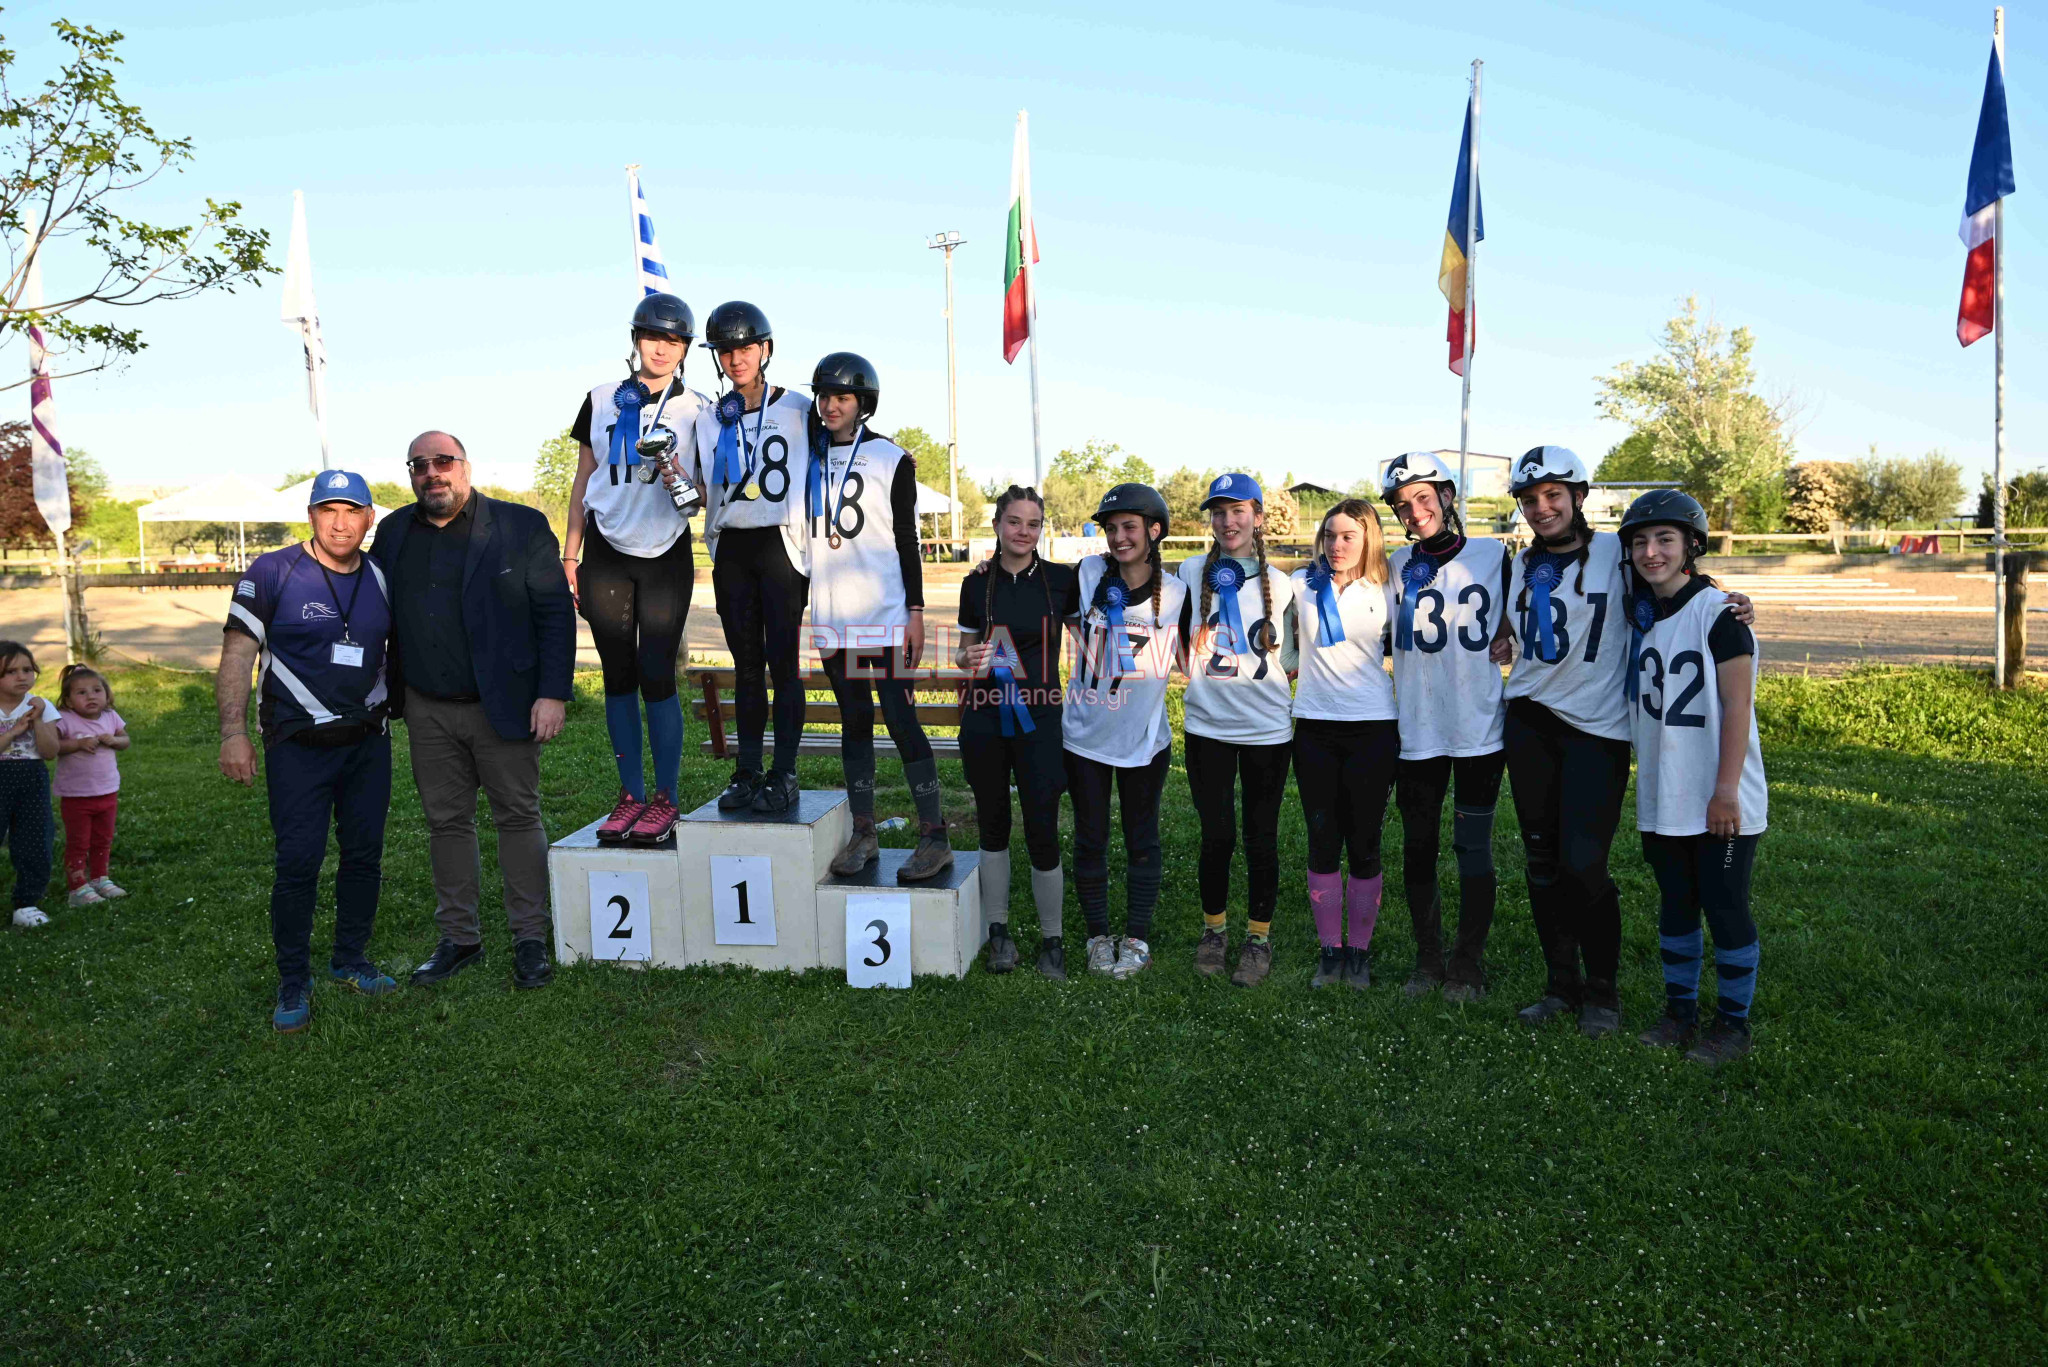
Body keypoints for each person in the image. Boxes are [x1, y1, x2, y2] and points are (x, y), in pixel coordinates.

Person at [1491, 446, 1754, 1038]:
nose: (1543, 508)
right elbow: (1515, 623)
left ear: (1580, 497)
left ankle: (1602, 992)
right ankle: (1561, 984)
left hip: (1597, 729)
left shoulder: (1619, 549)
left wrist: (1732, 596)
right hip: (1529, 721)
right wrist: (1505, 638)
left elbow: (1677, 578)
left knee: (1584, 865)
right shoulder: (1517, 563)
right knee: (1541, 862)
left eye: (1554, 495)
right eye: (1531, 500)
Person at [366, 432, 574, 993]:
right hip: (428, 708)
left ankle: (529, 938)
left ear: (465, 466)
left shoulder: (520, 525)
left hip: (503, 705)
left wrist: (552, 692)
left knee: (518, 817)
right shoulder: (392, 533)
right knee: (446, 823)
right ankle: (460, 938)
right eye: (419, 465)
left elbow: (554, 614)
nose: (432, 473)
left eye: (443, 461)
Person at [216, 472, 398, 1032]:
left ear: (370, 518)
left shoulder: (381, 577)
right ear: (311, 516)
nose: (340, 523)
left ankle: (350, 958)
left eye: (352, 511)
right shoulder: (273, 571)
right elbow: (237, 656)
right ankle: (293, 978)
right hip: (298, 745)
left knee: (364, 855)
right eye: (328, 511)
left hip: (368, 742)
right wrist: (233, 732)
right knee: (298, 863)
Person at [1619, 490, 1766, 1068]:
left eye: (1664, 540)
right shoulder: (1643, 617)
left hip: (1717, 793)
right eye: (1639, 542)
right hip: (1664, 790)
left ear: (1692, 547)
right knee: (1676, 904)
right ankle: (1680, 1012)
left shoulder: (1721, 614)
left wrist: (1725, 790)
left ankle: (1733, 1024)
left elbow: (1737, 707)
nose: (1650, 552)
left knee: (1725, 905)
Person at [563, 292, 707, 846]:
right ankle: (629, 793)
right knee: (617, 674)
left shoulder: (698, 407)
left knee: (655, 672)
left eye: (673, 340)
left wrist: (672, 468)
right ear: (635, 340)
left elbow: (701, 492)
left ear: (685, 348)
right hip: (604, 551)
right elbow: (584, 480)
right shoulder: (601, 399)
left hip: (665, 550)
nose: (662, 347)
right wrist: (570, 553)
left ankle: (665, 798)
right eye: (652, 336)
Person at [805, 351, 954, 882]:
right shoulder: (809, 452)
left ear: (863, 402)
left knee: (900, 715)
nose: (830, 406)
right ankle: (864, 831)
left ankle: (934, 834)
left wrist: (916, 611)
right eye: (824, 396)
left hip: (885, 612)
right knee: (854, 719)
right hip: (830, 612)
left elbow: (906, 541)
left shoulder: (892, 458)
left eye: (841, 397)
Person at [1382, 453, 1510, 1004]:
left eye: (1424, 498)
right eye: (1404, 505)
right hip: (1417, 728)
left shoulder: (1496, 554)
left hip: (1478, 725)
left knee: (1472, 848)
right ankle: (1428, 956)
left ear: (1448, 498)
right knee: (1418, 846)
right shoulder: (1392, 563)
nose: (1415, 511)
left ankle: (1467, 961)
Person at [1063, 484, 1192, 980]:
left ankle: (1135, 936)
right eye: (1111, 528)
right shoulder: (1089, 572)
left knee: (1143, 839)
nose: (1119, 537)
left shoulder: (1177, 591)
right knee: (1091, 838)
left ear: (1154, 531)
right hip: (1084, 734)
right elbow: (1030, 580)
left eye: (1129, 527)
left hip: (1143, 738)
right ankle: (1098, 936)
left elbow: (1195, 654)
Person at [690, 302, 815, 815]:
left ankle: (783, 771)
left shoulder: (801, 408)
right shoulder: (707, 417)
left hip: (782, 545)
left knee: (784, 665)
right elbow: (700, 487)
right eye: (725, 349)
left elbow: (845, 443)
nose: (735, 357)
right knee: (745, 667)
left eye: (745, 347)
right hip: (733, 548)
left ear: (765, 349)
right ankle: (746, 770)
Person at [1178, 473, 1298, 988]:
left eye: (1238, 511)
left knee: (1261, 837)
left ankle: (1258, 938)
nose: (1228, 521)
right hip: (1207, 726)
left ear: (1258, 517)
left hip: (1267, 730)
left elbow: (1290, 660)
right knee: (1217, 836)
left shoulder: (1284, 581)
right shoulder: (1187, 572)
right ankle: (1214, 931)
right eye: (1219, 512)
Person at [957, 486, 1078, 979]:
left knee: (1042, 827)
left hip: (1041, 718)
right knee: (993, 823)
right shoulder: (975, 583)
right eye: (1014, 522)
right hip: (986, 717)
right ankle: (998, 933)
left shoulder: (1062, 581)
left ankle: (1053, 938)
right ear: (997, 526)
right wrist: (968, 657)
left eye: (1032, 524)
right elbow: (962, 652)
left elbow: (1091, 634)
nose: (1023, 532)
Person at [1289, 498, 1396, 990]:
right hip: (1313, 727)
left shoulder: (1390, 586)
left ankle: (1360, 953)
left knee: (1365, 843)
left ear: (1368, 537)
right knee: (1322, 841)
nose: (1337, 545)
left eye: (1348, 536)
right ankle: (1329, 951)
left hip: (1372, 728)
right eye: (1330, 535)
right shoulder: (1299, 584)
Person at [52, 664, 130, 907]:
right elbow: (53, 747)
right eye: (81, 693)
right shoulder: (64, 720)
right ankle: (77, 888)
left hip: (107, 791)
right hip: (77, 795)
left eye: (97, 690)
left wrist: (115, 740)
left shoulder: (110, 717)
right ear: (68, 699)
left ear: (107, 695)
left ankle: (99, 878)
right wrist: (77, 744)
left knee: (103, 838)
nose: (91, 697)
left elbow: (125, 740)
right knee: (79, 841)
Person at [0, 641, 59, 928]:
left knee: (35, 839)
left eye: (27, 669)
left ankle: (26, 903)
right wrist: (15, 730)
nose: (22, 677)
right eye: (11, 672)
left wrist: (37, 720)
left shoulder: (41, 705)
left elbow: (49, 752)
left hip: (31, 777)